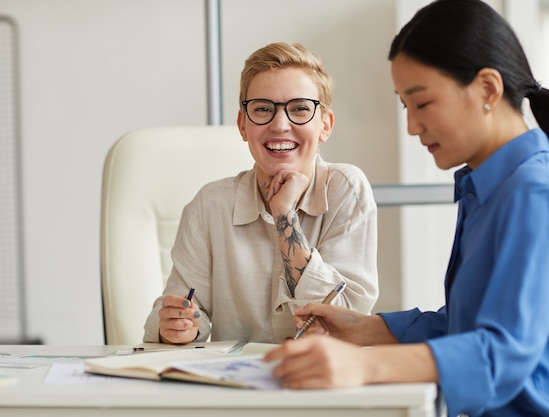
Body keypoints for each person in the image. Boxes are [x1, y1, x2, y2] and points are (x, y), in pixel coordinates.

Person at [264, 1, 549, 416]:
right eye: (405, 106)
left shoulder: (536, 192)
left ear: (488, 89)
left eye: (422, 103)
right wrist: (368, 330)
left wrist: (362, 364)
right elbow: (468, 326)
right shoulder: (489, 185)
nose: (412, 126)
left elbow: (501, 355)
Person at [143, 42, 379, 345]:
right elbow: (176, 314)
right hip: (235, 386)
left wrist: (285, 215)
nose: (280, 125)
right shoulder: (210, 205)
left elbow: (346, 321)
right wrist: (174, 327)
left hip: (319, 384)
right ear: (243, 125)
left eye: (300, 109)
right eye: (263, 109)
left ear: (325, 125)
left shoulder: (346, 189)